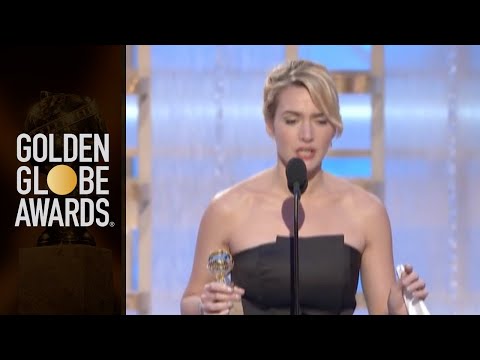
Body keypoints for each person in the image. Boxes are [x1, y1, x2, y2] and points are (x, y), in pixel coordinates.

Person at [180, 59, 429, 315]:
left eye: (320, 120)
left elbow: (382, 309)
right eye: (292, 120)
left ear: (334, 127)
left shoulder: (366, 212)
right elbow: (191, 299)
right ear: (270, 123)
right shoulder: (227, 209)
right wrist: (203, 306)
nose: (307, 135)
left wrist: (400, 309)